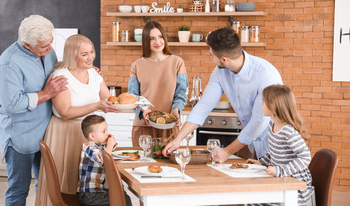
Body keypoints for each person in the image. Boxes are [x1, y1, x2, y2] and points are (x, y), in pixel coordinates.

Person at [164, 27, 283, 161]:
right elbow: (203, 107)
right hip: (249, 141)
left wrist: (227, 151)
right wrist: (178, 139)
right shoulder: (220, 72)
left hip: (276, 144)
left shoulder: (266, 75)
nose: (211, 58)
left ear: (224, 59)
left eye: (211, 55)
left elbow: (259, 121)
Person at [0, 15, 68, 206]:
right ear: (27, 45)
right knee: (19, 189)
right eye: (44, 46)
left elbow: (59, 72)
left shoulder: (47, 51)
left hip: (45, 133)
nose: (50, 49)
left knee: (46, 186)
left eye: (51, 42)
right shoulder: (8, 63)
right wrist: (46, 93)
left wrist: (88, 70)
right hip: (20, 138)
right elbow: (11, 104)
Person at [35, 34, 118, 205]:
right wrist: (97, 106)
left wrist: (132, 104)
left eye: (92, 52)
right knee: (66, 179)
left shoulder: (94, 74)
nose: (91, 57)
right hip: (65, 132)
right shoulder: (61, 75)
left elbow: (109, 99)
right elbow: (65, 112)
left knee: (87, 181)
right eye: (84, 54)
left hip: (90, 133)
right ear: (73, 55)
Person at [246, 85, 315, 206]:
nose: (261, 104)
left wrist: (280, 170)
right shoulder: (271, 124)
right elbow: (274, 151)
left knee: (259, 200)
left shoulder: (288, 131)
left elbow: (305, 158)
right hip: (282, 177)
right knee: (253, 199)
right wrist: (262, 162)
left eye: (263, 102)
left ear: (273, 106)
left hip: (295, 181)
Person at [128, 21, 188, 146]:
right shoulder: (137, 65)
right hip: (144, 126)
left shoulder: (177, 62)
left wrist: (176, 110)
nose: (157, 42)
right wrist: (144, 110)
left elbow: (181, 93)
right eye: (152, 38)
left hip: (170, 125)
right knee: (142, 164)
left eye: (160, 37)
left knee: (170, 165)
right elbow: (132, 96)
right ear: (145, 41)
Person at [78, 115, 132, 206]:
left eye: (107, 130)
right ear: (92, 135)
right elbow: (104, 160)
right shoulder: (90, 148)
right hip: (90, 195)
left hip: (95, 192)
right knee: (123, 198)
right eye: (103, 131)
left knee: (122, 194)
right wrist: (110, 145)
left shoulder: (98, 146)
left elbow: (106, 152)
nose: (107, 133)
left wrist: (110, 144)